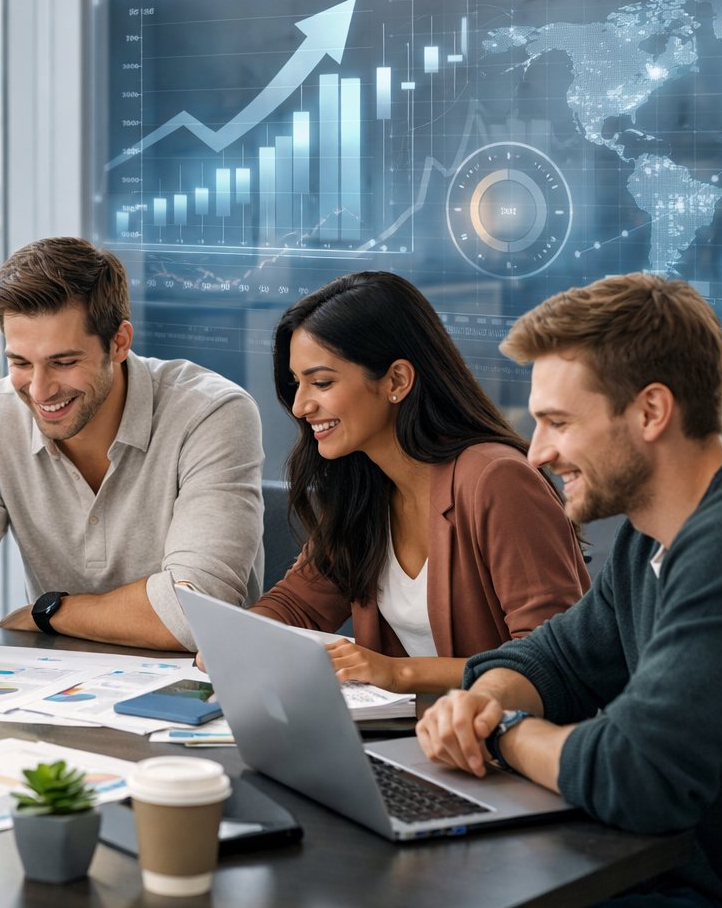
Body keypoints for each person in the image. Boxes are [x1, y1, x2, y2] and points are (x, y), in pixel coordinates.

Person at [417, 274, 722, 908]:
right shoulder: (647, 538)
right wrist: (481, 700)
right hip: (668, 872)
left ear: (651, 411)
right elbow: (553, 662)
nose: (537, 453)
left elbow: (637, 772)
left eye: (558, 422)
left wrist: (502, 731)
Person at [0, 237, 264, 665]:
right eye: (20, 363)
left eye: (63, 362)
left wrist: (50, 612)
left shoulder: (213, 413)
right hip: (55, 689)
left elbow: (197, 612)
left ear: (119, 342)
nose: (39, 390)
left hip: (201, 688)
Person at [249, 271, 588, 694]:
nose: (300, 406)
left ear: (396, 381)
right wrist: (239, 638)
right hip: (413, 740)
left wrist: (398, 673)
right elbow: (297, 605)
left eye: (321, 383)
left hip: (503, 746)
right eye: (297, 384)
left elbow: (553, 660)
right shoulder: (365, 485)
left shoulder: (496, 480)